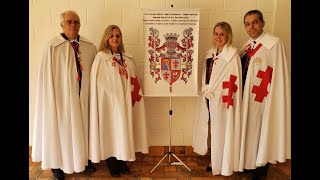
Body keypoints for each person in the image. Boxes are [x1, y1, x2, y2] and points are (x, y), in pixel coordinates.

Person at [31, 10, 97, 180]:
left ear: (80, 24)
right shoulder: (52, 47)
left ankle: (82, 160)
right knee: (59, 130)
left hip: (83, 97)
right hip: (60, 99)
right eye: (69, 22)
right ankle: (57, 165)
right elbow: (46, 78)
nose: (72, 25)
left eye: (76, 22)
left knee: (84, 127)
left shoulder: (90, 47)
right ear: (61, 25)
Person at [88, 25, 149, 177]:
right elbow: (98, 84)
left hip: (127, 103)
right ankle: (113, 162)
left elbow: (136, 80)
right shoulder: (101, 58)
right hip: (109, 105)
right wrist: (114, 98)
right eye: (112, 36)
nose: (115, 38)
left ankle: (123, 161)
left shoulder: (128, 58)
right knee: (111, 131)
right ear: (107, 39)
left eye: (118, 36)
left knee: (125, 129)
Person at [238, 10, 291, 180]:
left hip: (264, 99)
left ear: (263, 23)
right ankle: (249, 165)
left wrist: (273, 100)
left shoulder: (274, 44)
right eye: (247, 23)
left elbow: (279, 75)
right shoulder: (247, 46)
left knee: (262, 133)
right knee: (250, 133)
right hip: (248, 99)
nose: (251, 26)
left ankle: (261, 170)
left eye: (255, 22)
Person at [192, 22, 242, 176]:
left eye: (222, 34)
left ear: (228, 36)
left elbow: (234, 80)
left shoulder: (232, 55)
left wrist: (218, 92)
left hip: (223, 100)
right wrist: (205, 89)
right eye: (216, 33)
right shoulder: (209, 53)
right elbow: (205, 76)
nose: (218, 37)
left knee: (221, 129)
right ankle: (214, 159)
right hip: (208, 97)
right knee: (211, 128)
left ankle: (220, 162)